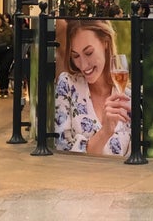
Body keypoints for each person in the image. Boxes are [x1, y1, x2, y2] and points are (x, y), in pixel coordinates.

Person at [54, 20, 132, 156]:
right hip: (77, 176)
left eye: (88, 53)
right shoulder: (67, 85)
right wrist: (105, 132)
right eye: (76, 56)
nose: (83, 65)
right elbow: (63, 149)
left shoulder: (127, 97)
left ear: (105, 43)